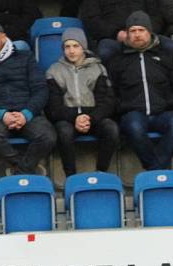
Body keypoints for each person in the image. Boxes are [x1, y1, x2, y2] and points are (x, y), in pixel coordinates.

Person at [105, 11, 173, 171]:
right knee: (134, 127)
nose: (137, 35)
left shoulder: (165, 57)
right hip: (133, 113)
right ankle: (158, 171)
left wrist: (168, 103)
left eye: (141, 30)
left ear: (149, 32)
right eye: (133, 31)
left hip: (162, 112)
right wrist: (124, 107)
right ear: (127, 34)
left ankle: (153, 170)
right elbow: (110, 93)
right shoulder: (117, 61)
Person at [0, 21, 56, 176]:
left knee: (47, 136)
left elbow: (41, 90)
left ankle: (21, 172)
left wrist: (26, 113)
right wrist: (2, 115)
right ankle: (22, 168)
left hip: (28, 112)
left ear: (3, 37)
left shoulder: (25, 57)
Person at [46, 28, 119, 175]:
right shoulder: (54, 71)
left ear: (83, 47)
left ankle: (101, 172)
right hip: (67, 117)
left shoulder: (98, 68)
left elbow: (107, 101)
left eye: (75, 46)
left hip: (93, 115)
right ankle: (71, 175)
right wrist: (75, 117)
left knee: (111, 128)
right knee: (64, 132)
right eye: (67, 47)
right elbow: (53, 107)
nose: (71, 51)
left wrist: (90, 118)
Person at [79, 0, 173, 63]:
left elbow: (157, 16)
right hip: (114, 38)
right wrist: (116, 33)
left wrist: (146, 31)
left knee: (171, 47)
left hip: (146, 35)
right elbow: (92, 20)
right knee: (105, 52)